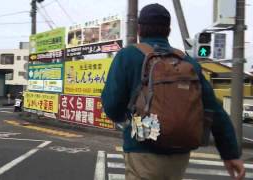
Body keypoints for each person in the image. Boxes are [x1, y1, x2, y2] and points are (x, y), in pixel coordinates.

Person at [101, 3, 245, 180]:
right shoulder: (188, 62)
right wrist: (230, 154)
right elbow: (214, 110)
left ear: (139, 29)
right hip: (180, 152)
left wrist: (133, 119)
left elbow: (112, 106)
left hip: (142, 149)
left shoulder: (128, 56)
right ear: (168, 30)